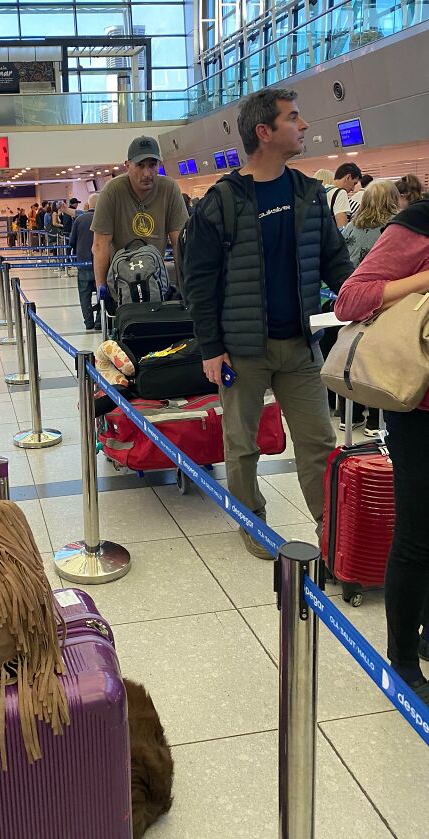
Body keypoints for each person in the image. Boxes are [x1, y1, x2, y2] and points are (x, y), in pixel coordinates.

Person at [183, 88, 353, 558]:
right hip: (241, 349)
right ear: (265, 131)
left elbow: (335, 261)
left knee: (318, 441)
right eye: (293, 118)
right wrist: (211, 348)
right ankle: (250, 518)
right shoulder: (220, 202)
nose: (303, 126)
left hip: (300, 344)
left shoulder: (309, 193)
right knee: (241, 446)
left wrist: (363, 297)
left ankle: (330, 528)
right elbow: (198, 281)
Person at [334, 197, 429, 702]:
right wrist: (423, 278)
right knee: (417, 535)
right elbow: (350, 299)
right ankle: (403, 661)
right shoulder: (418, 224)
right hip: (419, 407)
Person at [91, 135, 188, 302]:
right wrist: (102, 290)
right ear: (127, 166)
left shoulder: (169, 188)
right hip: (122, 279)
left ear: (160, 164)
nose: (147, 173)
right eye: (140, 166)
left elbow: (179, 242)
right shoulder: (112, 190)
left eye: (152, 165)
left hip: (155, 279)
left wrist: (184, 287)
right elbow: (100, 245)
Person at [338, 180, 401, 435]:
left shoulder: (351, 226)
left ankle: (348, 416)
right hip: (381, 300)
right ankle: (376, 421)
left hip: (350, 299)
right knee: (378, 361)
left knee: (351, 356)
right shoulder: (393, 229)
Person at [69, 192, 100, 330]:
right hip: (101, 263)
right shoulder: (104, 218)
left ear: (89, 204)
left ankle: (88, 322)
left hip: (83, 263)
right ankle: (100, 322)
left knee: (84, 293)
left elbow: (71, 242)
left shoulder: (80, 219)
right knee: (102, 292)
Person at [315, 163, 361, 228]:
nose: (353, 189)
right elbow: (342, 228)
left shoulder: (323, 191)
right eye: (354, 183)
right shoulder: (340, 193)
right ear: (348, 177)